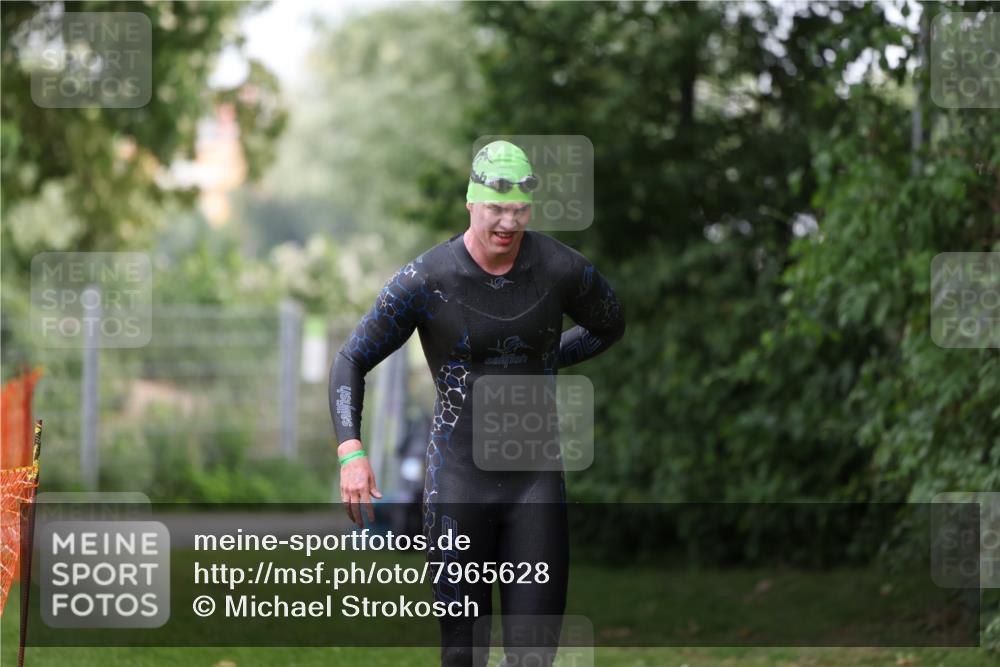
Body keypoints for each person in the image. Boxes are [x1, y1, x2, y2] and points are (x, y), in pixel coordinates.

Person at [329, 140, 625, 667]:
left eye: (519, 209)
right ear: (471, 202)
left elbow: (610, 323)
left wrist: (544, 362)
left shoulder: (557, 268)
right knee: (463, 657)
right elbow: (351, 359)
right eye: (496, 207)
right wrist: (352, 452)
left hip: (535, 484)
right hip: (457, 484)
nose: (508, 222)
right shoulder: (427, 280)